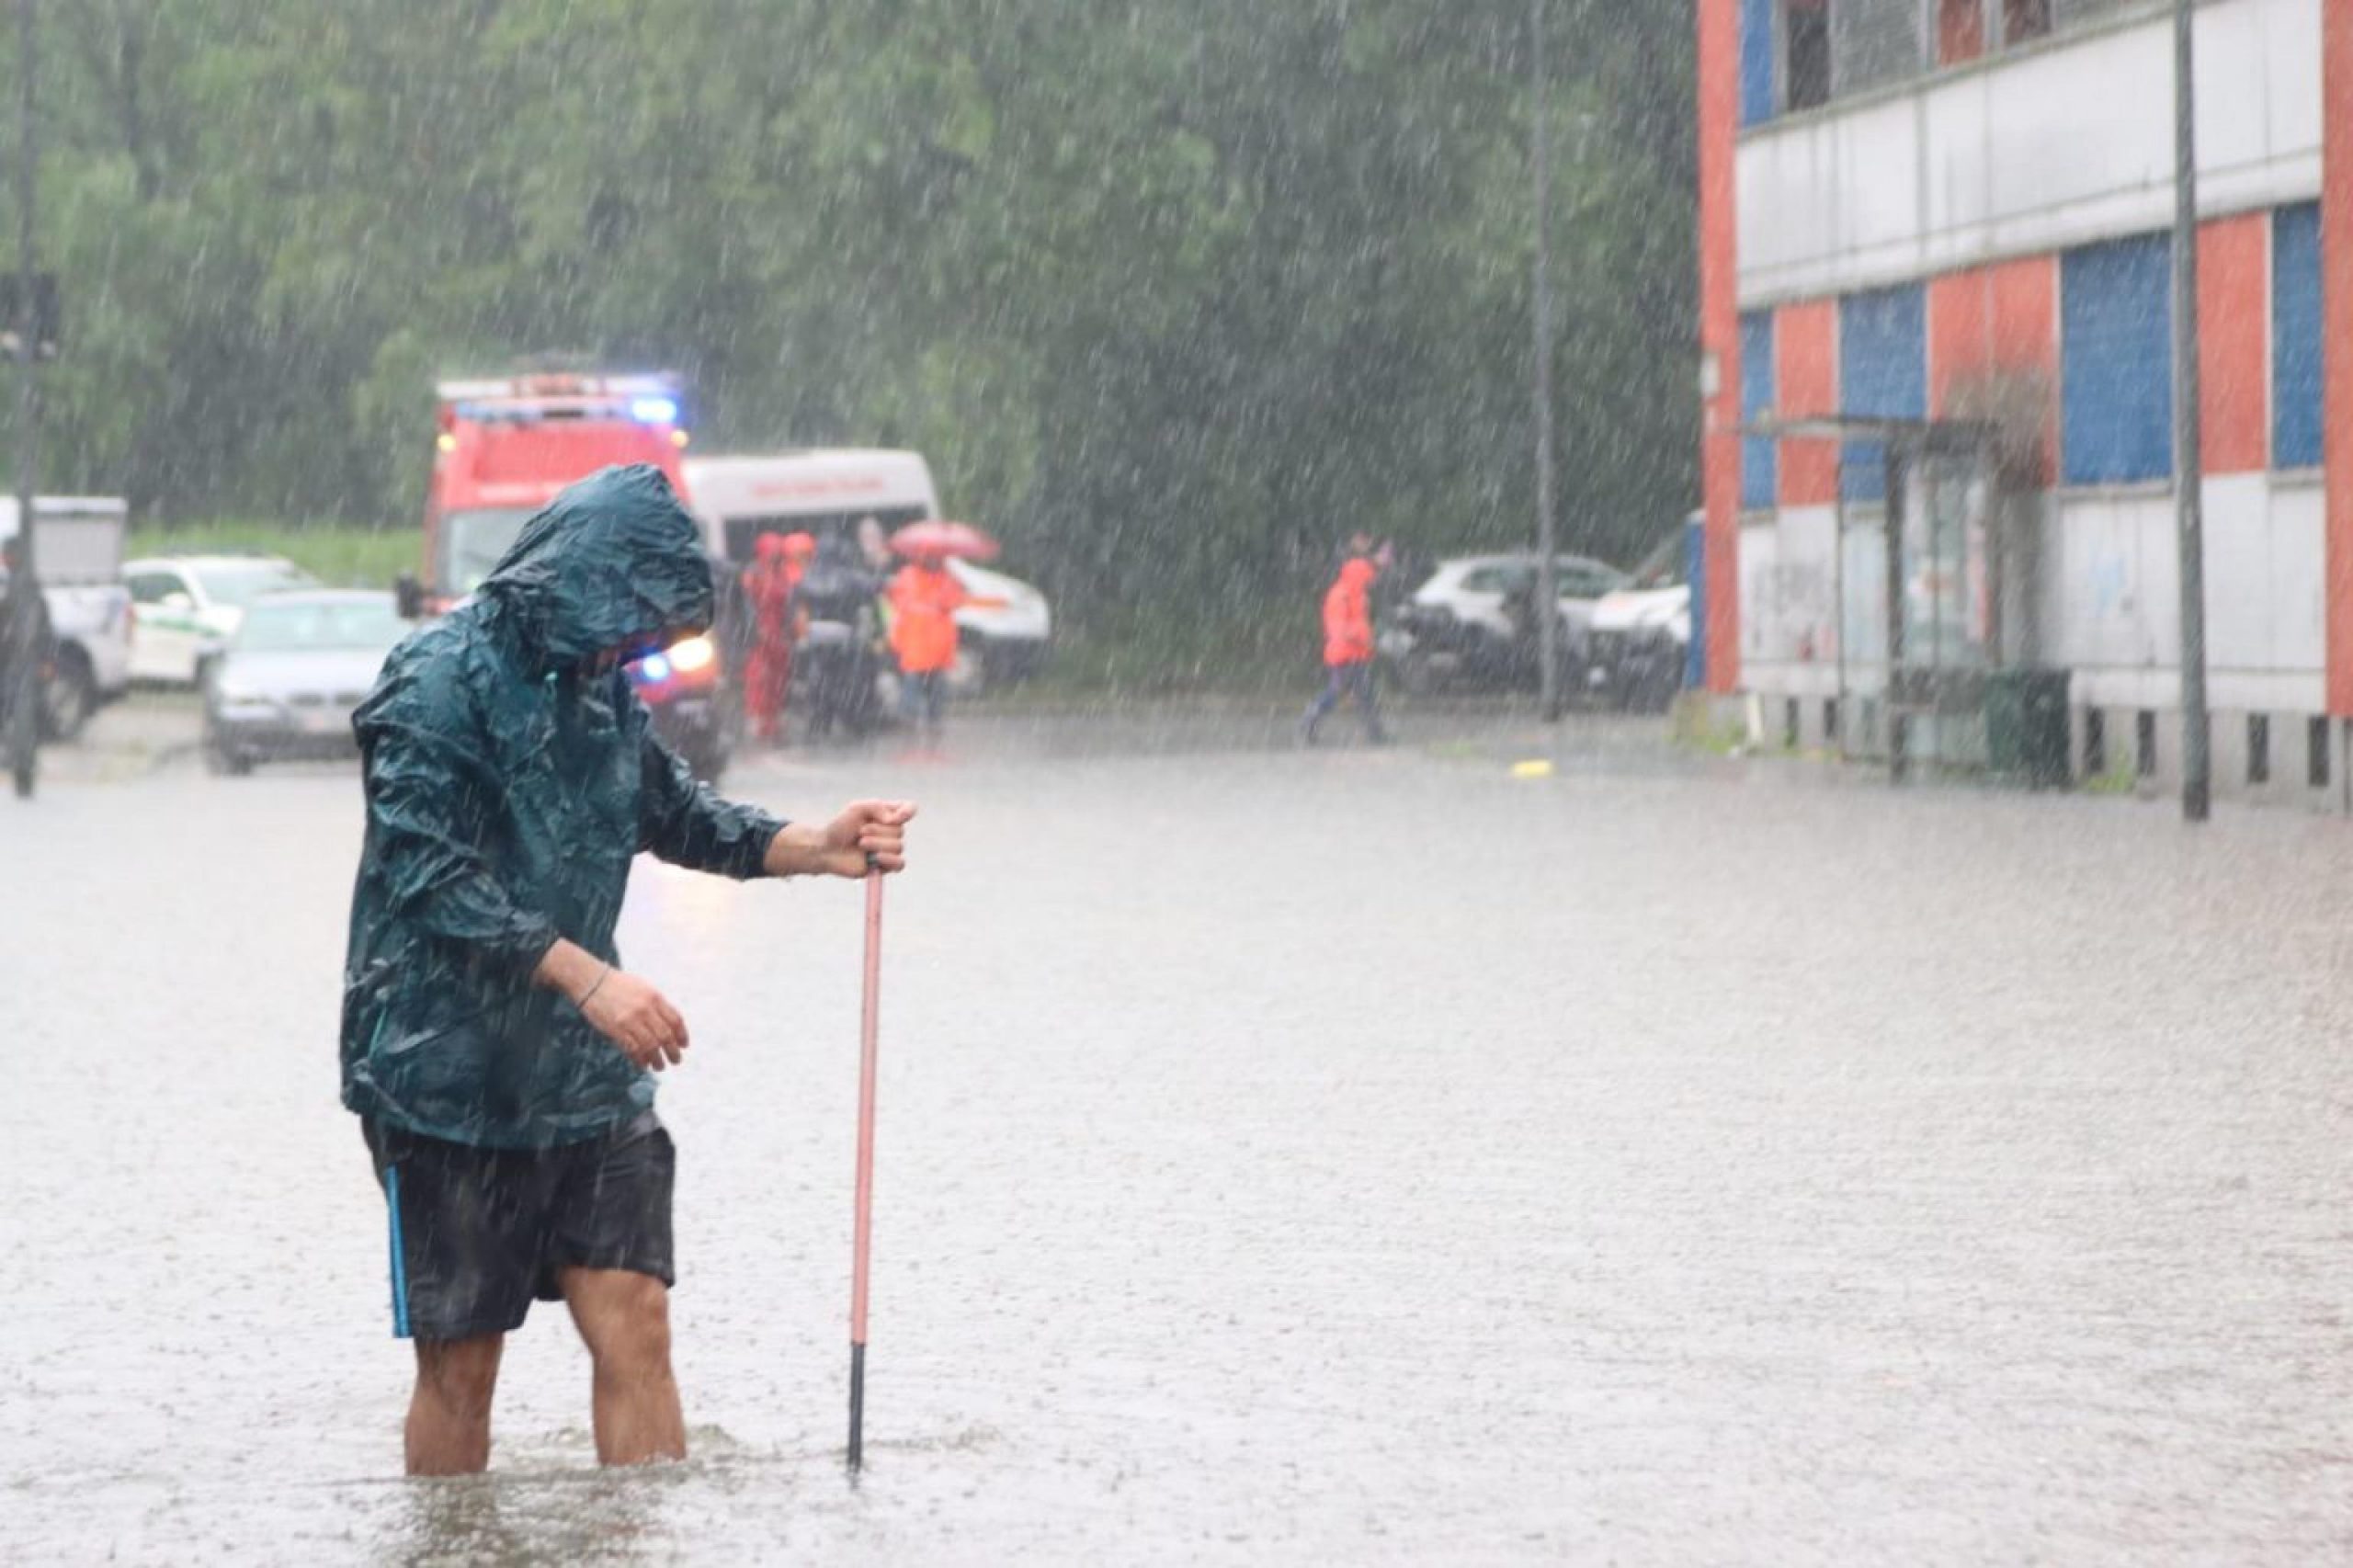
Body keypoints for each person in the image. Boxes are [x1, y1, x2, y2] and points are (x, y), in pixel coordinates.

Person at [340, 464, 915, 1476]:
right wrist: (590, 978)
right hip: (445, 1077)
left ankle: (637, 1539)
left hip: (583, 1074)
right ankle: (451, 1546)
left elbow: (680, 813)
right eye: (624, 623)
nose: (630, 650)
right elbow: (424, 872)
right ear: (568, 588)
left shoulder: (601, 692)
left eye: (648, 633)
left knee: (637, 1320)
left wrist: (816, 845)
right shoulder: (432, 683)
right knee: (464, 1367)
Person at [1300, 547, 1389, 746]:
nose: (1370, 581)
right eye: (1367, 577)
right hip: (1344, 655)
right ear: (1358, 576)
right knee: (1345, 694)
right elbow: (1338, 630)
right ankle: (1310, 719)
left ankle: (1375, 733)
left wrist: (1368, 642)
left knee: (1360, 694)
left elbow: (1359, 625)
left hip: (1356, 654)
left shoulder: (1357, 596)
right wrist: (1365, 641)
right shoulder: (1340, 596)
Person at [739, 532, 811, 744]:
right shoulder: (754, 575)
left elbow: (790, 606)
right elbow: (746, 607)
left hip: (779, 636)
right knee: (760, 680)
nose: (776, 557)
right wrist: (754, 630)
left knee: (779, 682)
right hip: (761, 636)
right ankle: (760, 723)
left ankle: (774, 723)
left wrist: (792, 631)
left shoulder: (783, 575)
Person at [887, 550, 968, 734]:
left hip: (931, 642)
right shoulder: (913, 576)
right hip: (919, 640)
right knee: (918, 682)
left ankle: (921, 718)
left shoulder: (942, 578)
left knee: (929, 683)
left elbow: (955, 601)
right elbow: (899, 603)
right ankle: (916, 718)